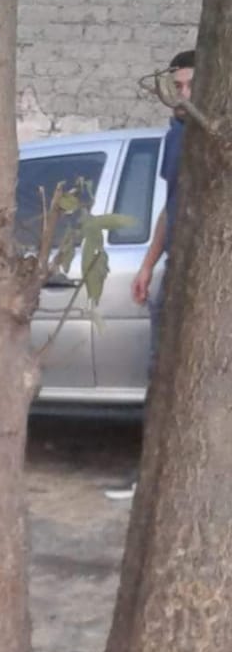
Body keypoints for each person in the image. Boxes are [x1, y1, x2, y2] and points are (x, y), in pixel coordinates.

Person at [105, 49, 195, 502]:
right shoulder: (176, 133)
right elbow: (170, 205)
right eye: (177, 87)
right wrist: (147, 265)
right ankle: (154, 478)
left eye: (191, 86)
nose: (183, 96)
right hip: (174, 269)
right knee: (161, 375)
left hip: (206, 277)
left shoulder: (214, 135)